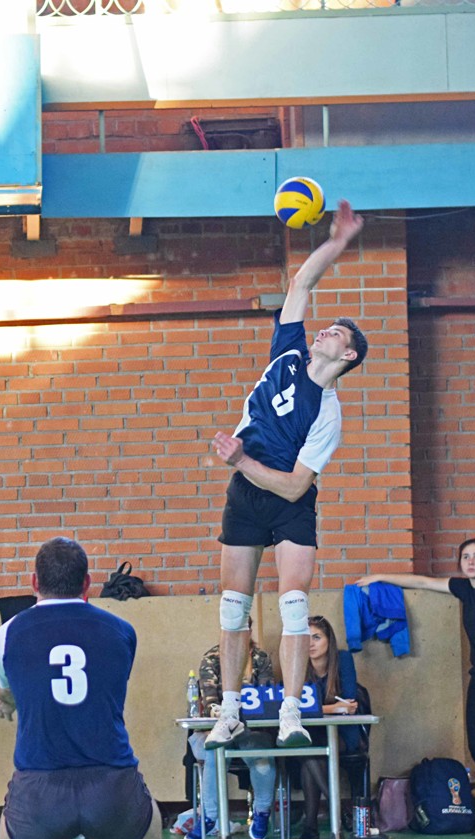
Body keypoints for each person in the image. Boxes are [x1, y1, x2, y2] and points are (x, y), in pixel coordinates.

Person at [206, 200, 368, 754]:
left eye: (335, 333)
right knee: (233, 606)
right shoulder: (288, 354)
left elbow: (297, 485)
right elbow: (301, 281)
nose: (323, 330)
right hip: (246, 496)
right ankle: (230, 712)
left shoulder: (328, 414)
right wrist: (337, 242)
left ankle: (293, 714)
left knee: (294, 604)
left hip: (287, 500)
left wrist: (242, 461)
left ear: (348, 355)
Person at [0, 538, 178, 839]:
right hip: (111, 784)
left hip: (40, 787)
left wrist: (4, 702)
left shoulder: (5, 635)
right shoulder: (123, 631)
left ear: (34, 582)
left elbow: (8, 691)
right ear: (87, 583)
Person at [358, 538, 475, 835]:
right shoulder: (464, 589)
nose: (471, 561)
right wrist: (379, 577)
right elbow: (423, 582)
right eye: (466, 557)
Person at [185, 636, 276, 839]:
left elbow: (266, 697)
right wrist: (222, 715)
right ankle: (209, 816)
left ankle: (262, 812)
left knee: (261, 755)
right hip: (215, 727)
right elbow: (209, 699)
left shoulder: (261, 658)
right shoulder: (211, 658)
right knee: (214, 751)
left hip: (251, 728)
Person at [295, 616, 362, 839]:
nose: (310, 644)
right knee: (309, 753)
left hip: (342, 732)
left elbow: (349, 704)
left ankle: (311, 827)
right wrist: (332, 708)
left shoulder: (343, 659)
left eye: (316, 637)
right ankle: (339, 811)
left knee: (310, 755)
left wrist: (322, 709)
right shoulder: (297, 662)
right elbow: (295, 707)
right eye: (306, 638)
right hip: (311, 733)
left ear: (328, 640)